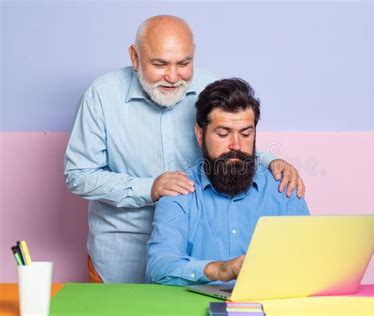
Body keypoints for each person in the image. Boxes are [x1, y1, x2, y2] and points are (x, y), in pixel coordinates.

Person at [64, 16, 305, 283]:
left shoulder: (208, 87)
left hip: (193, 257)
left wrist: (271, 161)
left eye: (184, 63)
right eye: (160, 64)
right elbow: (78, 174)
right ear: (135, 57)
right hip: (121, 255)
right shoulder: (102, 96)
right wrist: (149, 188)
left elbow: (230, 138)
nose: (173, 76)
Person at [146, 78, 309, 285]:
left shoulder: (283, 187)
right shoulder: (179, 190)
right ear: (199, 134)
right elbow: (159, 267)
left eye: (246, 133)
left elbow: (309, 260)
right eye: (223, 134)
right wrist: (219, 270)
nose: (236, 145)